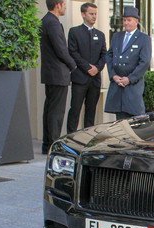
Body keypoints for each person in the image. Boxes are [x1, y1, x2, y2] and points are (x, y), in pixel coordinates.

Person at [40, 0, 76, 154]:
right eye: (64, 4)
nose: (65, 7)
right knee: (56, 111)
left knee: (49, 108)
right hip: (57, 73)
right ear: (58, 5)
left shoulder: (45, 21)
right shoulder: (53, 23)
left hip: (50, 72)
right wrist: (72, 64)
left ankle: (47, 144)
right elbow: (61, 49)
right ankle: (53, 145)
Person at [66, 2, 107, 134]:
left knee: (91, 111)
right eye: (91, 14)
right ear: (83, 14)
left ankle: (88, 139)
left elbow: (104, 55)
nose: (94, 16)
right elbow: (73, 53)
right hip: (80, 78)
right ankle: (72, 137)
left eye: (95, 14)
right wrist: (87, 68)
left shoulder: (100, 35)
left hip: (95, 80)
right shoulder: (74, 32)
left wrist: (97, 68)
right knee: (75, 110)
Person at [104, 6, 151, 120]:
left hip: (132, 86)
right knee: (120, 121)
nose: (126, 23)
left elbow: (144, 62)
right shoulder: (116, 36)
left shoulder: (144, 38)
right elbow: (109, 56)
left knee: (135, 121)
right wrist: (113, 76)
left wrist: (129, 79)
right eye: (124, 20)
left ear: (136, 21)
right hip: (117, 84)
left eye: (129, 20)